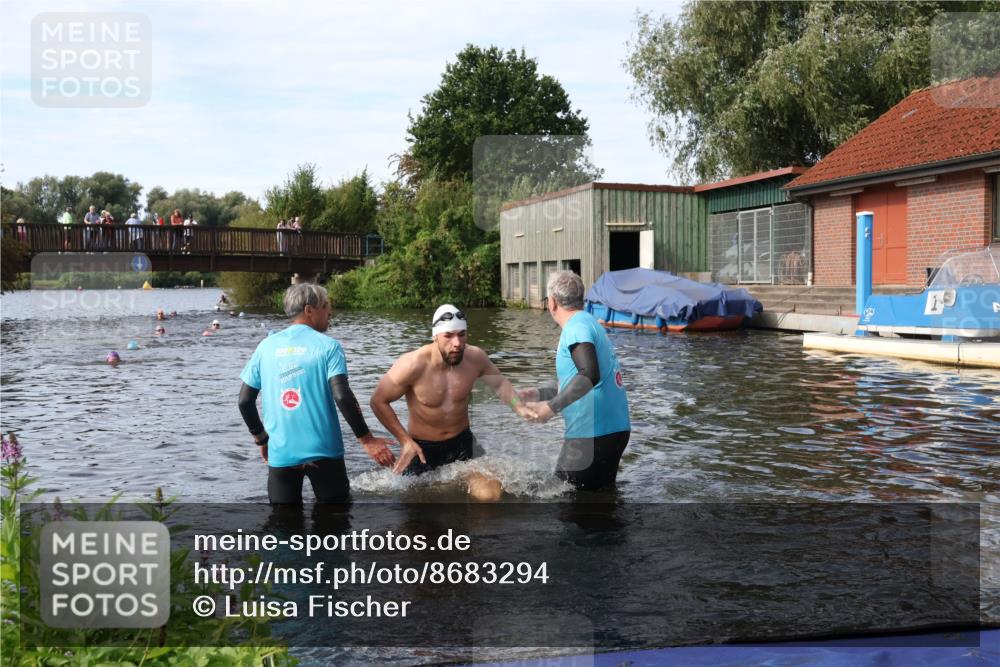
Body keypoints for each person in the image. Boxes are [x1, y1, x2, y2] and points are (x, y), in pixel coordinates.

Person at [238, 283, 394, 504]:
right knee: (334, 525)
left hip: (281, 453)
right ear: (309, 310)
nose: (330, 312)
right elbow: (342, 395)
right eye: (326, 306)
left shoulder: (265, 347)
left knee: (284, 528)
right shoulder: (328, 346)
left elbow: (244, 402)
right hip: (324, 451)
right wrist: (367, 440)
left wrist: (262, 439)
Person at [369, 304, 534, 501]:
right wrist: (405, 441)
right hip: (423, 450)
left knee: (489, 497)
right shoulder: (413, 364)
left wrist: (519, 406)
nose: (457, 343)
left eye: (462, 334)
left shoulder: (475, 358)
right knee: (419, 509)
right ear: (435, 336)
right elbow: (378, 401)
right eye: (448, 336)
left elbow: (499, 383)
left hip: (462, 443)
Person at [522, 271, 631, 491]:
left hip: (591, 435)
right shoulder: (589, 322)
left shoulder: (576, 328)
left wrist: (549, 409)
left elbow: (589, 374)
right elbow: (576, 378)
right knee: (600, 504)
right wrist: (539, 393)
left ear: (552, 303)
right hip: (613, 430)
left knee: (567, 504)